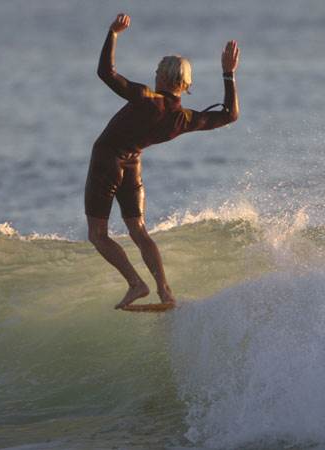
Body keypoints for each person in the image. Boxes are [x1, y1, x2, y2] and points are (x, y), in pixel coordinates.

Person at [85, 13, 240, 309]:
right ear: (186, 85)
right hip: (132, 164)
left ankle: (136, 283)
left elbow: (105, 72)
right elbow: (230, 115)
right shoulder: (183, 118)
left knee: (98, 234)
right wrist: (228, 74)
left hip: (107, 161)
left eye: (157, 71)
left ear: (163, 78)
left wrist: (113, 33)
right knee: (138, 230)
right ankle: (165, 292)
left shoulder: (145, 97)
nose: (154, 75)